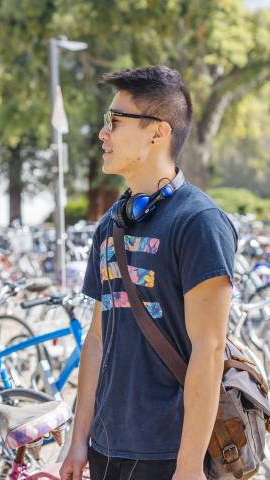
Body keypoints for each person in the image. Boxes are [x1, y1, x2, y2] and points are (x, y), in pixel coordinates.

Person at [60, 66, 237, 480]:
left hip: (168, 454)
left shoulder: (200, 222)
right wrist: (79, 441)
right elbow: (98, 339)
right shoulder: (110, 225)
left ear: (157, 132)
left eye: (115, 122)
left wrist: (189, 465)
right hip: (106, 447)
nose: (103, 133)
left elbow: (208, 351)